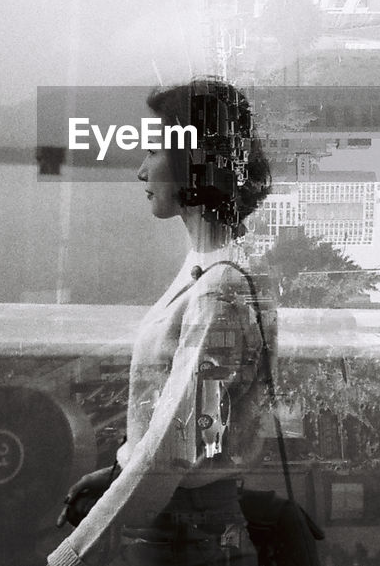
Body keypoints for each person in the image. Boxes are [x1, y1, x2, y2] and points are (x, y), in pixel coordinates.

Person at [49, 79, 273, 566]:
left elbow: (178, 447)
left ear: (192, 162)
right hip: (180, 528)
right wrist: (121, 467)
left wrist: (70, 553)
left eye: (152, 150)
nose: (140, 171)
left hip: (181, 539)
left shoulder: (220, 289)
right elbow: (196, 429)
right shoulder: (211, 269)